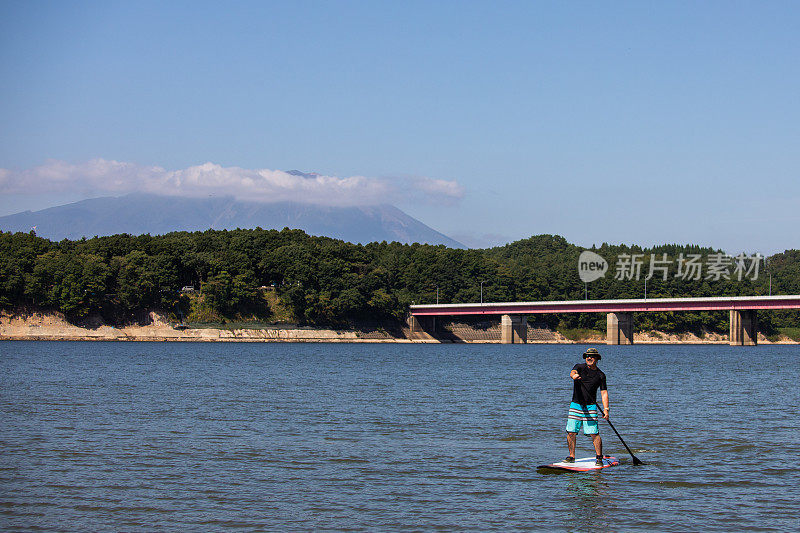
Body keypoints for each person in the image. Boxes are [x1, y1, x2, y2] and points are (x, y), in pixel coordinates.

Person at [565, 347, 609, 466]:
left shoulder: (601, 375)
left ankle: (599, 458)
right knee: (571, 432)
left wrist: (606, 410)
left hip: (590, 407)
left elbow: (604, 392)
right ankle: (571, 457)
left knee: (594, 433)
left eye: (592, 356)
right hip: (576, 404)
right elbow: (572, 372)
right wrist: (574, 376)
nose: (589, 358)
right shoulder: (580, 367)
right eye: (587, 356)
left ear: (597, 359)